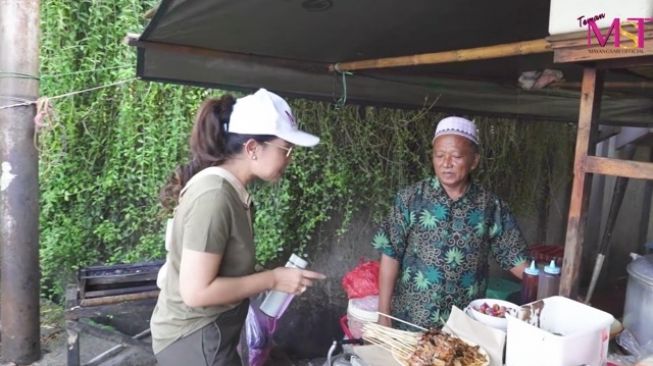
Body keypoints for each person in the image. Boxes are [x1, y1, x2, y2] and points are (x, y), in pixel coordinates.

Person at [151, 88, 327, 365]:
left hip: (209, 336)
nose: (290, 159)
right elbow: (196, 292)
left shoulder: (229, 191)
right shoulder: (214, 195)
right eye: (286, 149)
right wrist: (273, 279)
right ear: (252, 148)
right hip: (194, 340)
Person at [372, 116, 528, 330]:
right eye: (439, 155)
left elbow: (514, 257)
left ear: (474, 161)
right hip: (411, 319)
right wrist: (383, 313)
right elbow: (390, 254)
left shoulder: (490, 205)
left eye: (456, 156)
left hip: (464, 324)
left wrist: (554, 289)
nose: (446, 163)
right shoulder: (410, 199)